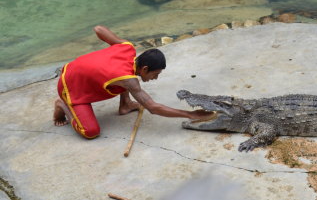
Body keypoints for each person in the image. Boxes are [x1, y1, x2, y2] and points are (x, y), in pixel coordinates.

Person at [53, 25, 213, 139]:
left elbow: (98, 29)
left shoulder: (127, 48)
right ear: (144, 69)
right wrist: (190, 114)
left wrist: (102, 62)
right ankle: (63, 105)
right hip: (70, 86)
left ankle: (125, 105)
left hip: (73, 69)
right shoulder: (130, 81)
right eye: (155, 74)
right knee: (90, 132)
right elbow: (153, 108)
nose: (155, 78)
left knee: (123, 75)